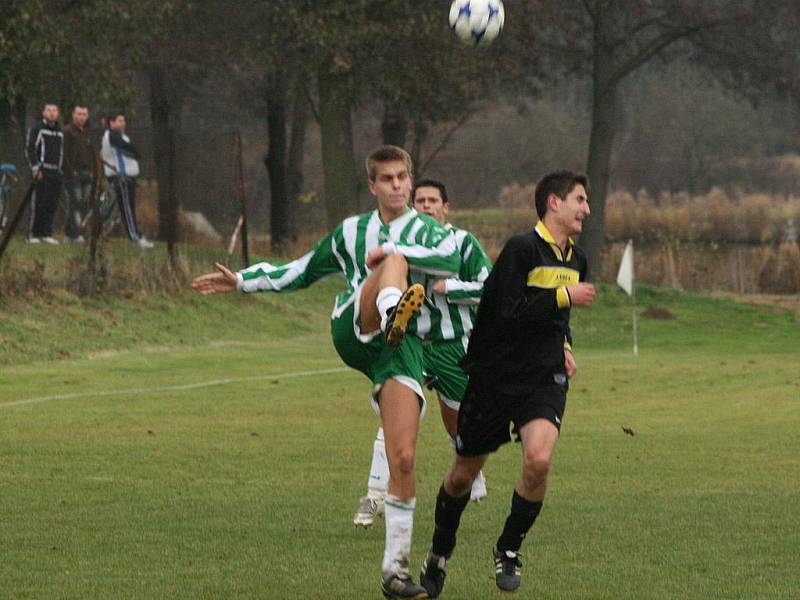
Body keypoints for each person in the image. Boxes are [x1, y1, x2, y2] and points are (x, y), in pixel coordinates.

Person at [192, 145, 460, 599]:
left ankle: (395, 571)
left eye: (402, 178)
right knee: (392, 259)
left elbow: (455, 269)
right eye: (387, 179)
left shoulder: (433, 233)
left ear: (411, 182)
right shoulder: (352, 231)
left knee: (404, 458)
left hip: (401, 349)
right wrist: (241, 280)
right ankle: (392, 306)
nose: (396, 185)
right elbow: (299, 271)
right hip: (356, 327)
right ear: (372, 185)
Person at [418, 170, 596, 597]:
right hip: (495, 376)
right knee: (463, 476)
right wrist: (561, 297)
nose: (586, 209)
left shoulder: (576, 259)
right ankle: (439, 553)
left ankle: (509, 548)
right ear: (554, 202)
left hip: (543, 376)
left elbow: (558, 319)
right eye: (580, 199)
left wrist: (566, 343)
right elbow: (505, 311)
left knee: (538, 461)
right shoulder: (520, 249)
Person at [353, 179, 492, 529]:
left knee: (459, 421)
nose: (427, 206)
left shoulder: (462, 242)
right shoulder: (397, 247)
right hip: (410, 341)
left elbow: (491, 288)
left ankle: (469, 466)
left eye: (434, 200)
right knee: (395, 419)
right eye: (421, 201)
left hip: (452, 344)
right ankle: (373, 496)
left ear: (446, 207)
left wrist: (453, 288)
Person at [100, 111, 153, 248]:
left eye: (123, 120)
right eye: (119, 120)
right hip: (120, 177)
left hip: (127, 178)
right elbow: (131, 150)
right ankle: (135, 236)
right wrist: (136, 152)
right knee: (126, 208)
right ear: (111, 123)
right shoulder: (112, 137)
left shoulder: (121, 136)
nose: (122, 123)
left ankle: (134, 234)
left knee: (122, 208)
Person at [26, 102, 64, 244]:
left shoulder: (60, 131)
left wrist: (61, 170)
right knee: (38, 203)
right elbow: (30, 148)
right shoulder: (37, 128)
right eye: (49, 110)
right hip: (42, 170)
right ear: (43, 112)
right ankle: (33, 234)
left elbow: (61, 151)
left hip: (56, 171)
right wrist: (35, 168)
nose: (52, 113)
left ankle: (46, 233)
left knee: (51, 204)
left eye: (54, 110)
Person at [62, 105, 96, 242]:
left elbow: (92, 153)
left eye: (84, 114)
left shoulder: (87, 132)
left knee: (84, 203)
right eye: (79, 114)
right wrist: (71, 171)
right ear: (73, 115)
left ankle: (69, 233)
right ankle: (77, 233)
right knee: (76, 202)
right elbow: (64, 154)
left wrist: (94, 171)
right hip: (73, 173)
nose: (81, 117)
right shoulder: (67, 131)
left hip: (88, 172)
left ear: (87, 116)